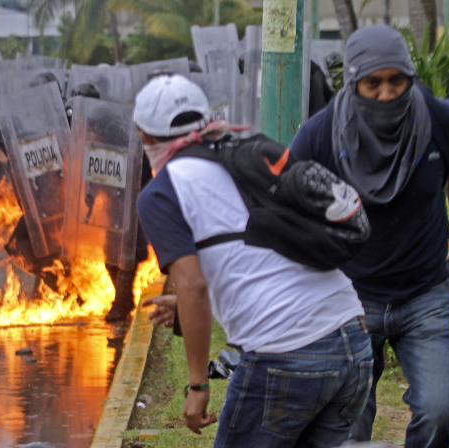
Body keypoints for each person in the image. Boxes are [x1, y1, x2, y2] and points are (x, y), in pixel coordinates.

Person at [135, 73, 373, 446]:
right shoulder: (244, 155)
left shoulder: (161, 192)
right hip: (352, 339)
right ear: (205, 118)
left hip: (285, 354)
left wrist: (198, 385)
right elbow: (251, 259)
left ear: (143, 135)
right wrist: (185, 304)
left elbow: (193, 284)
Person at [289, 25, 449, 448]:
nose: (387, 94)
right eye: (373, 83)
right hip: (348, 299)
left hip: (424, 293)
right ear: (353, 82)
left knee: (439, 413)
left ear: (410, 76)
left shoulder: (441, 121)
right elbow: (287, 211)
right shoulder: (318, 136)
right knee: (350, 425)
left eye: (397, 80)